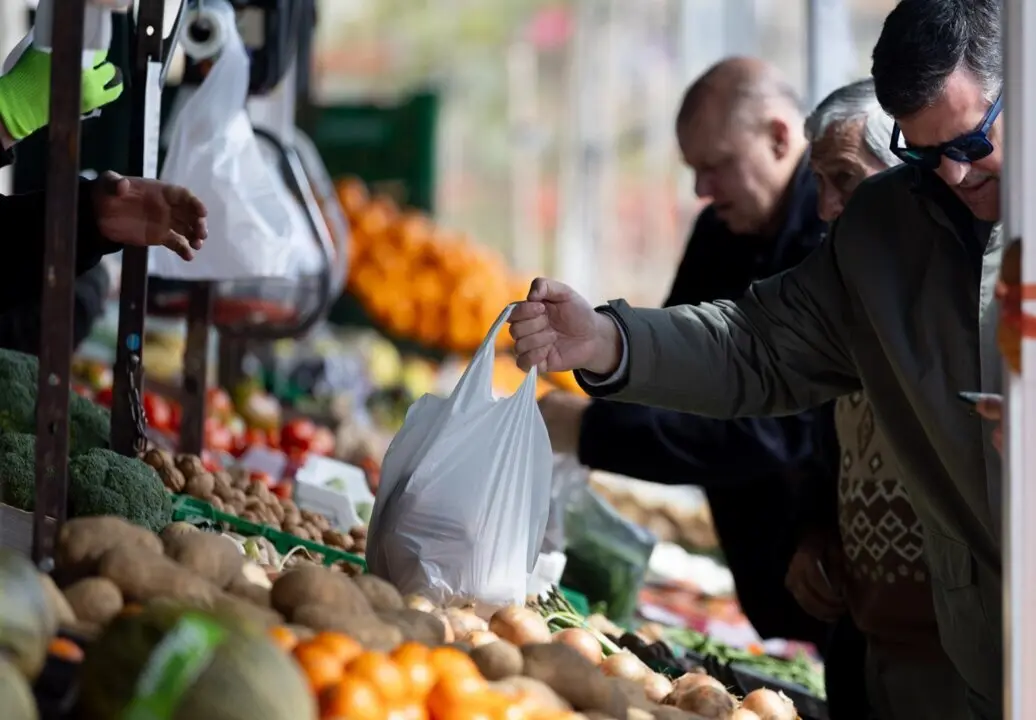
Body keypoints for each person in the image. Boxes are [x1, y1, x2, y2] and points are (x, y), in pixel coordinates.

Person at [507, 0, 1004, 717]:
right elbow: (758, 346)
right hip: (953, 653)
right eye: (924, 155)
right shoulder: (884, 229)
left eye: (969, 143)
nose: (953, 178)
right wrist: (608, 340)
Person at [536, 56, 841, 670]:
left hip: (835, 573)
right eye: (693, 171)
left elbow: (775, 429)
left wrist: (592, 430)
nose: (702, 190)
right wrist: (603, 350)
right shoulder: (720, 232)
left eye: (717, 166)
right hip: (768, 568)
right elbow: (674, 372)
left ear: (780, 136)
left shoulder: (832, 238)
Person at [784, 77, 968, 720]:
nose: (826, 209)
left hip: (957, 665)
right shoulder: (851, 296)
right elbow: (825, 443)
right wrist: (815, 534)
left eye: (845, 180)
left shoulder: (965, 301)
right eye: (820, 185)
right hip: (871, 645)